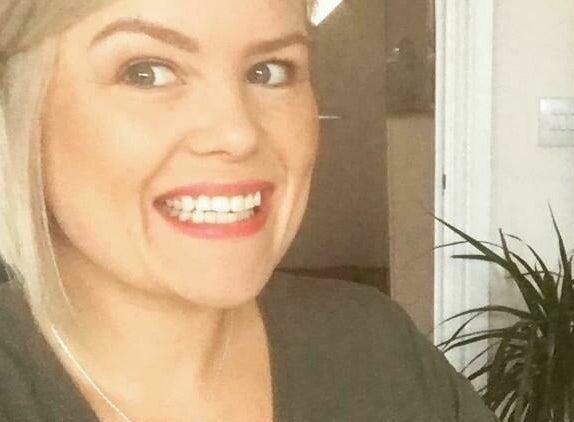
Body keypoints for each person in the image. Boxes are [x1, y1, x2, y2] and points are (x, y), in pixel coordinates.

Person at [0, 0, 498, 421]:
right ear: (19, 110)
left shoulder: (374, 347)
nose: (238, 133)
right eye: (146, 72)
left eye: (269, 71)